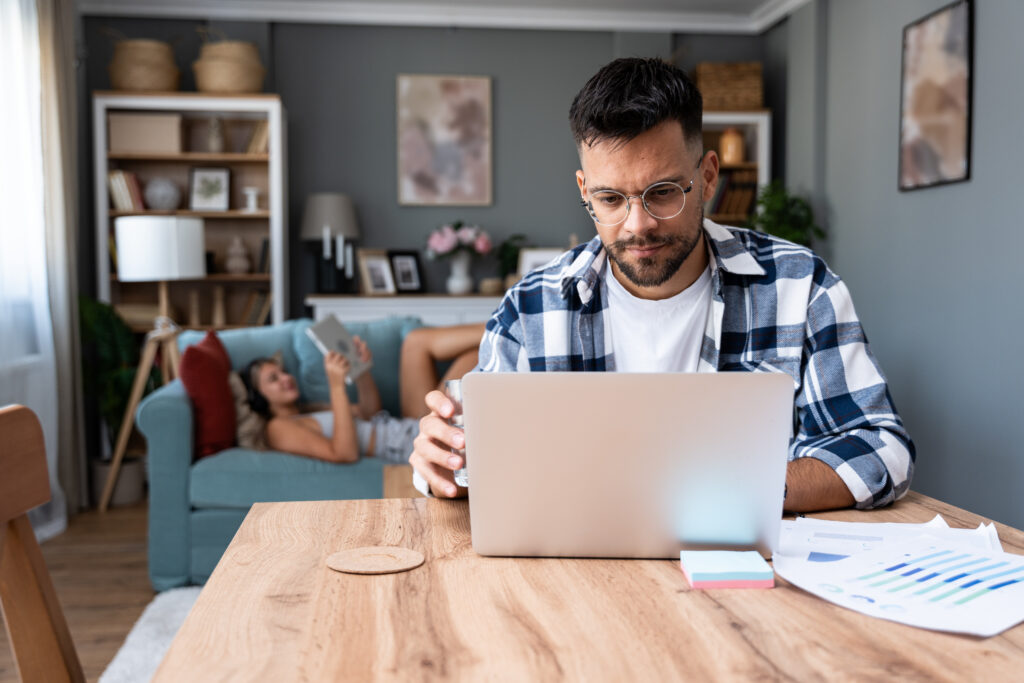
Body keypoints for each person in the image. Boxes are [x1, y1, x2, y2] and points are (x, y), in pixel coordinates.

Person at [410, 57, 915, 512]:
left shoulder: (800, 287)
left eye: (663, 193)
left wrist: (747, 489)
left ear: (709, 176)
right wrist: (442, 465)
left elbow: (880, 447)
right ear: (585, 191)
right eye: (610, 199)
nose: (637, 225)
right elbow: (479, 461)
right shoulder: (530, 308)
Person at [243, 322, 484, 464]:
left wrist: (360, 372)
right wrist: (336, 385)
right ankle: (507, 327)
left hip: (407, 424)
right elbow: (343, 453)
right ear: (258, 397)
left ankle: (504, 322)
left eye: (283, 372)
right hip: (411, 444)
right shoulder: (276, 428)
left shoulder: (310, 410)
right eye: (274, 379)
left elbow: (370, 412)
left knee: (416, 341)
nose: (286, 378)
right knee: (476, 356)